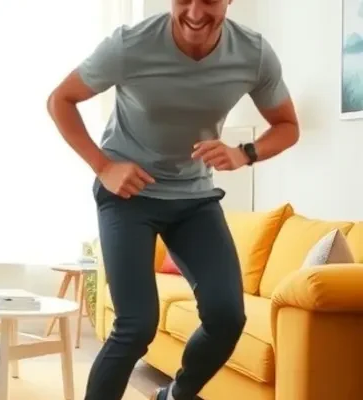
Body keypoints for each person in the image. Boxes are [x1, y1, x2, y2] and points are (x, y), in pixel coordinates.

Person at [47, 1, 299, 400]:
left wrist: (244, 152)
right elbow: (60, 99)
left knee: (227, 317)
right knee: (135, 326)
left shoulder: (253, 53)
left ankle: (176, 395)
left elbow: (287, 126)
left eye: (211, 0)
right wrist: (103, 166)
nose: (196, 12)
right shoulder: (130, 45)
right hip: (128, 196)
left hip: (194, 199)